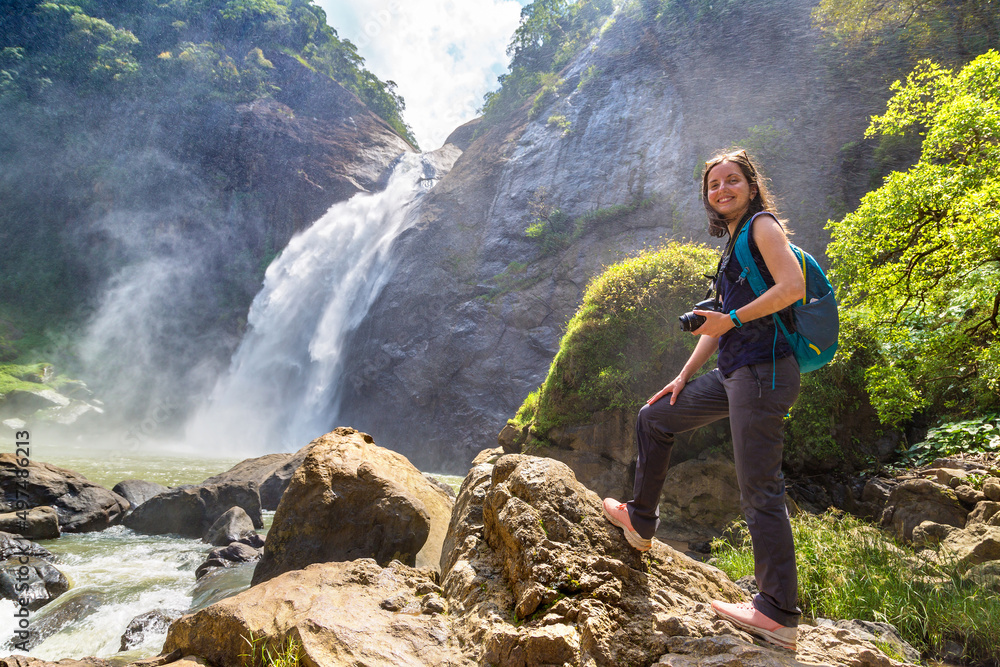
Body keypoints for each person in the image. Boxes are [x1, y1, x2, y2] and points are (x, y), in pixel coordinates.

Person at [602, 149, 805, 651]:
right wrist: (682, 376)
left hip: (766, 370)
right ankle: (640, 520)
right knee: (655, 417)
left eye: (731, 181)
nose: (722, 191)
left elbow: (793, 287)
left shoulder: (762, 226)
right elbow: (717, 325)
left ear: (751, 186)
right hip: (735, 371)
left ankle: (777, 613)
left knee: (760, 488)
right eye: (713, 186)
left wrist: (733, 319)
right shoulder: (734, 243)